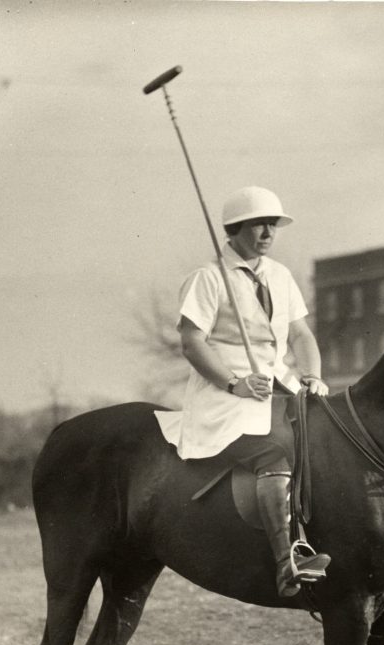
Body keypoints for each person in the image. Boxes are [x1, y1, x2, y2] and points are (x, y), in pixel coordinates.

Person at [155, 186, 330, 597]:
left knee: (326, 442)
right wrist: (234, 383)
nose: (268, 233)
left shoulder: (280, 276)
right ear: (234, 229)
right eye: (259, 225)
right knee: (272, 454)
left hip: (280, 388)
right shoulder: (208, 278)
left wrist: (312, 375)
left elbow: (300, 334)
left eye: (273, 225)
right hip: (225, 398)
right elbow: (192, 342)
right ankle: (286, 563)